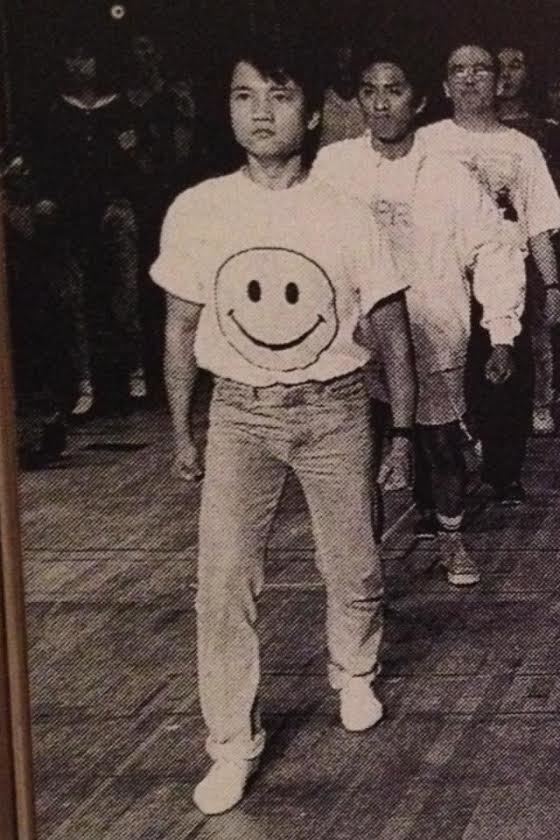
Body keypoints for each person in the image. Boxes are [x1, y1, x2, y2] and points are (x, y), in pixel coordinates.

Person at [151, 39, 415, 815]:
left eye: (278, 94)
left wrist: (401, 434)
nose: (261, 112)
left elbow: (392, 327)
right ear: (227, 109)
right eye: (243, 96)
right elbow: (178, 328)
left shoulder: (345, 212)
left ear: (310, 110)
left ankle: (355, 671)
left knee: (354, 564)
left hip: (334, 408)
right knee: (223, 582)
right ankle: (232, 743)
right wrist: (181, 431)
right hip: (239, 412)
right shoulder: (199, 208)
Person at [313, 47, 526, 585]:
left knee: (439, 446)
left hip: (434, 332)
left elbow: (494, 249)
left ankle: (453, 542)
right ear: (358, 99)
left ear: (420, 100)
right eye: (370, 91)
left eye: (394, 90)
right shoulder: (334, 167)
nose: (381, 104)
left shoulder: (450, 174)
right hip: (355, 339)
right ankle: (367, 566)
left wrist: (501, 333)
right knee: (357, 453)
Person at [419, 40, 560, 503]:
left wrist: (553, 284)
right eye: (458, 69)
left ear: (498, 82)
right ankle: (432, 490)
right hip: (438, 281)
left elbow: (538, 221)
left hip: (502, 281)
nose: (470, 77)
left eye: (481, 69)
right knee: (435, 382)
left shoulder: (521, 147)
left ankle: (503, 475)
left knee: (505, 378)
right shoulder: (426, 142)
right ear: (444, 84)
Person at [29, 32, 146, 416]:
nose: (78, 65)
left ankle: (134, 370)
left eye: (86, 56)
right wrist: (44, 199)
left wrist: (129, 169)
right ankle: (84, 382)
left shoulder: (121, 108)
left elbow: (140, 162)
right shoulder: (53, 112)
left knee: (124, 296)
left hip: (114, 209)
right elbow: (40, 165)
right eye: (72, 57)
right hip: (69, 214)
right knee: (72, 300)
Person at [125, 33, 198, 400]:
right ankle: (151, 373)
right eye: (138, 50)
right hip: (140, 198)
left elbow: (183, 151)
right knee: (143, 282)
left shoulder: (174, 96)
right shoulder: (126, 101)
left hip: (172, 194)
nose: (145, 57)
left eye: (150, 49)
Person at [497, 43, 560, 433]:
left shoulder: (547, 131)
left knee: (538, 323)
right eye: (498, 66)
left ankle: (541, 400)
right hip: (490, 243)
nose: (506, 74)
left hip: (538, 237)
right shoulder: (464, 131)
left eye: (516, 65)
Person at [319, 43, 365, 147]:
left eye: (351, 62)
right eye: (341, 61)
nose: (345, 68)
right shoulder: (319, 103)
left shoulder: (370, 104)